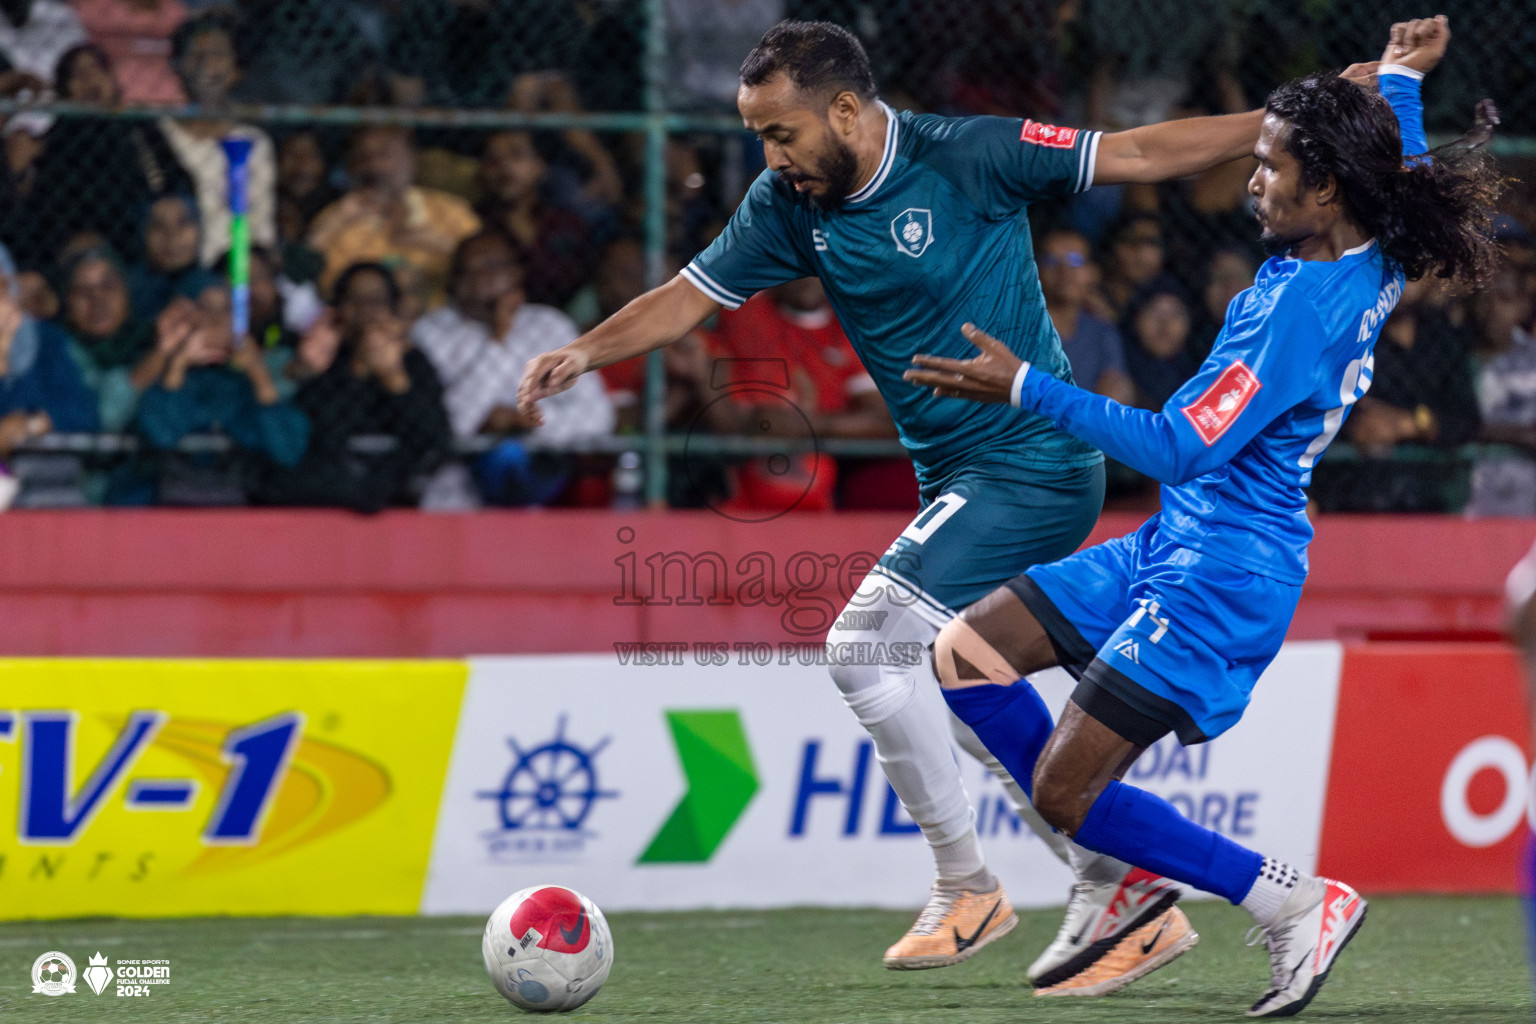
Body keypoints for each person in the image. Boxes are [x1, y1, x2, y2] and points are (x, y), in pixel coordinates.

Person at [519, 18, 1310, 988]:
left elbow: (1138, 151)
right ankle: (1122, 886)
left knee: (863, 644)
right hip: (960, 481)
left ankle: (965, 885)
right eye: (759, 136)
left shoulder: (971, 153)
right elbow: (691, 295)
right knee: (961, 685)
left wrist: (1272, 127)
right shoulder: (788, 204)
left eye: (780, 133)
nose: (768, 156)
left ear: (845, 110)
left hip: (1037, 459)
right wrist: (583, 352)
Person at [903, 17, 1497, 1015]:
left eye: (1271, 168)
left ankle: (1291, 899)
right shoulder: (1378, 243)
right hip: (1179, 542)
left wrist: (1023, 388)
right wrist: (1398, 79)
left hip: (1222, 573)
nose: (1251, 182)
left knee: (1061, 795)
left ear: (1327, 190)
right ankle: (1124, 870)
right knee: (967, 653)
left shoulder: (1293, 312)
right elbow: (1402, 172)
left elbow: (1179, 446)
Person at [413, 227, 613, 506]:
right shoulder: (431, 332)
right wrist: (499, 339)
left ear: (517, 273)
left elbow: (598, 416)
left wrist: (530, 422)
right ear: (455, 279)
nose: (479, 276)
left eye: (490, 265)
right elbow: (448, 425)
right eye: (467, 269)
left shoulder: (548, 326)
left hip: (542, 476)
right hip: (455, 488)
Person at [261, 261, 451, 513]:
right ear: (338, 309)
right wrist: (357, 370)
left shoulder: (413, 360)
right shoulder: (319, 356)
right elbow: (317, 431)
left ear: (393, 310)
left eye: (376, 300)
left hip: (394, 491)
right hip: (317, 492)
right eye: (354, 300)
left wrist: (394, 378)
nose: (366, 310)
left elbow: (433, 439)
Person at [307, 125, 480, 307]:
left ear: (411, 159)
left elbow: (486, 271)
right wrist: (334, 223)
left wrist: (441, 244)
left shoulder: (451, 211)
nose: (374, 165)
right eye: (363, 157)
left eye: (384, 154)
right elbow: (308, 285)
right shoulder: (335, 217)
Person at [159, 11, 277, 265]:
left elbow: (261, 225)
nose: (204, 64)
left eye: (217, 54)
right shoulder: (157, 135)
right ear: (176, 66)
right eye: (194, 54)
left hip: (240, 267)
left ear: (236, 70)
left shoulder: (254, 142)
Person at [1038, 227, 1134, 406]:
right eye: (1051, 261)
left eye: (1075, 261)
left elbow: (1113, 394)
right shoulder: (1020, 329)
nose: (1064, 271)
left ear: (1093, 272)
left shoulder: (1101, 331)